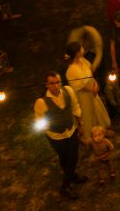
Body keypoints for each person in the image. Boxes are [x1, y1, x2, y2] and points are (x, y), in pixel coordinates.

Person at [33, 72, 87, 200]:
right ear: (47, 85)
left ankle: (65, 186)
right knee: (64, 157)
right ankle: (72, 176)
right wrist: (49, 126)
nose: (56, 85)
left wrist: (80, 124)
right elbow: (39, 121)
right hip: (56, 136)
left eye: (58, 82)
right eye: (52, 83)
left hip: (71, 130)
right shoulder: (41, 102)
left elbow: (75, 107)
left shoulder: (68, 91)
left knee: (73, 157)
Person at [65, 42, 112, 144]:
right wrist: (91, 89)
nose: (83, 48)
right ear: (77, 53)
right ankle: (90, 138)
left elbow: (90, 73)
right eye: (81, 48)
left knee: (97, 111)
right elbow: (78, 85)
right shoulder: (71, 70)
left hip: (92, 92)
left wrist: (95, 83)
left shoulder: (82, 61)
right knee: (88, 115)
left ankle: (101, 132)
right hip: (84, 96)